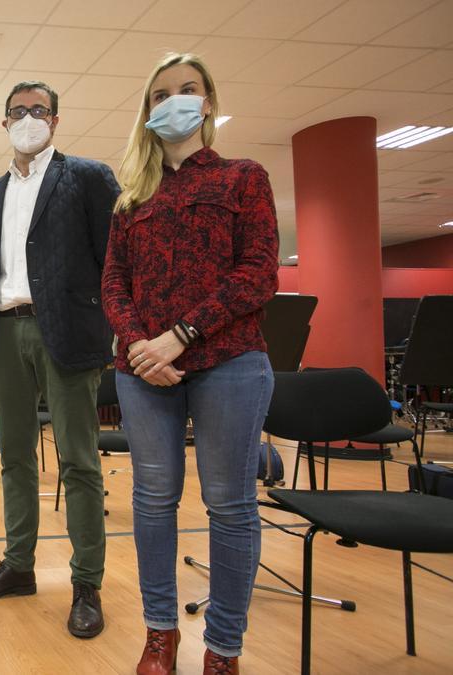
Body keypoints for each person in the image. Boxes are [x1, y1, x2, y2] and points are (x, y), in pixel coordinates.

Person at [102, 53, 279, 675]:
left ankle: (223, 651)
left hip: (228, 361)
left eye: (187, 90)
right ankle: (160, 636)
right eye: (159, 95)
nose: (172, 102)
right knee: (153, 501)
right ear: (147, 112)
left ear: (207, 102)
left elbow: (258, 274)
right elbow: (114, 285)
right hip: (144, 370)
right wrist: (139, 345)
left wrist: (179, 335)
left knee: (230, 503)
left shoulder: (243, 178)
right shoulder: (131, 199)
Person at [0, 81, 119, 639]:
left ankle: (86, 583)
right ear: (4, 123)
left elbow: (114, 261)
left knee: (78, 460)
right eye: (18, 111)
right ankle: (19, 565)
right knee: (15, 457)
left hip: (68, 333)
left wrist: (114, 328)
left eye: (39, 110)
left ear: (55, 121)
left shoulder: (87, 178)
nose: (28, 118)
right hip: (4, 332)